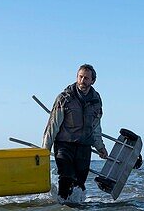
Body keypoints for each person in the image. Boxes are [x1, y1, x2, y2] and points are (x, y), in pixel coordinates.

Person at [42, 64, 109, 203]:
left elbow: (96, 127)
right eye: (80, 77)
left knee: (80, 183)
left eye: (86, 78)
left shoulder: (96, 100)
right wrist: (45, 151)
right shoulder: (64, 98)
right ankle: (62, 210)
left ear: (93, 81)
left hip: (84, 146)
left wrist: (100, 147)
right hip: (64, 145)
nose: (82, 81)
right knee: (66, 178)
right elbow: (52, 126)